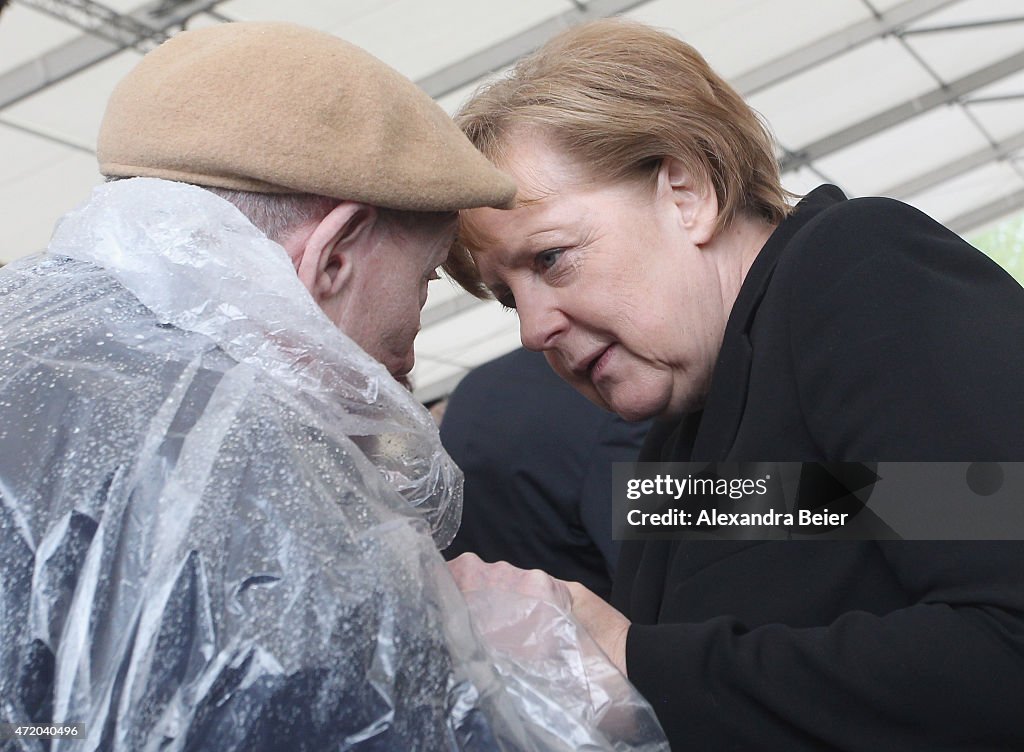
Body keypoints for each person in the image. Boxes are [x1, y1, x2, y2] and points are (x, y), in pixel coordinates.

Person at [0, 22, 668, 752]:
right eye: (428, 279)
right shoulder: (255, 475)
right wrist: (582, 671)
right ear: (335, 259)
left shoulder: (39, 346)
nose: (533, 327)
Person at [445, 18, 1024, 752]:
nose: (532, 329)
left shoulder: (855, 274)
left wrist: (631, 660)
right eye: (507, 296)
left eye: (552, 258)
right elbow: (880, 517)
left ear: (686, 191)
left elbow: (1007, 638)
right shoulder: (671, 452)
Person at [441, 348, 649, 599]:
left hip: (494, 620)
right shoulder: (617, 400)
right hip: (597, 624)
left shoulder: (475, 385)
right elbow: (664, 568)